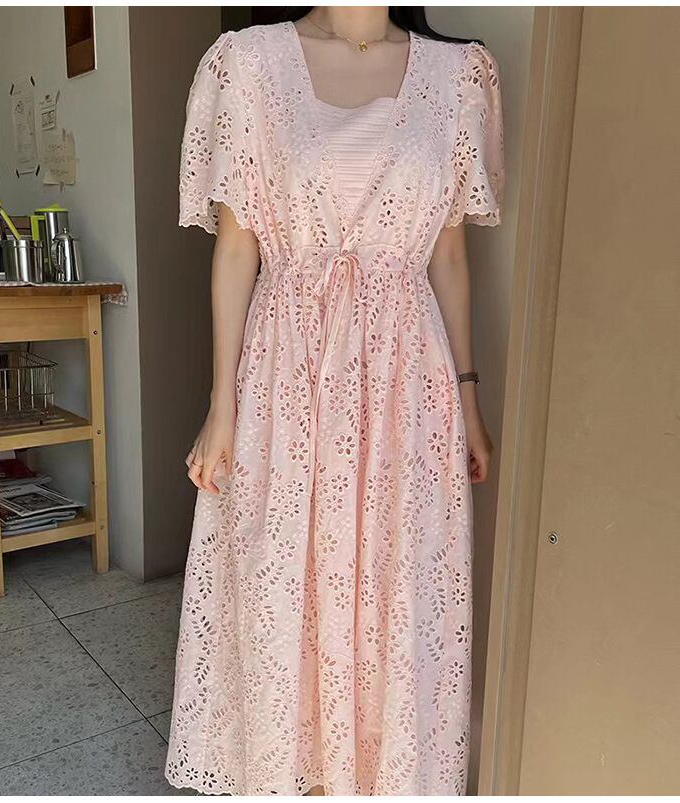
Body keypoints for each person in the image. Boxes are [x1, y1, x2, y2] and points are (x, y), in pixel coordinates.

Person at [166, 6, 504, 795]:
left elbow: (450, 255)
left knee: (395, 584)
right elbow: (237, 249)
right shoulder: (247, 64)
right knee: (284, 580)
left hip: (407, 386)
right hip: (286, 375)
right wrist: (222, 407)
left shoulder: (460, 76)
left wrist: (468, 399)